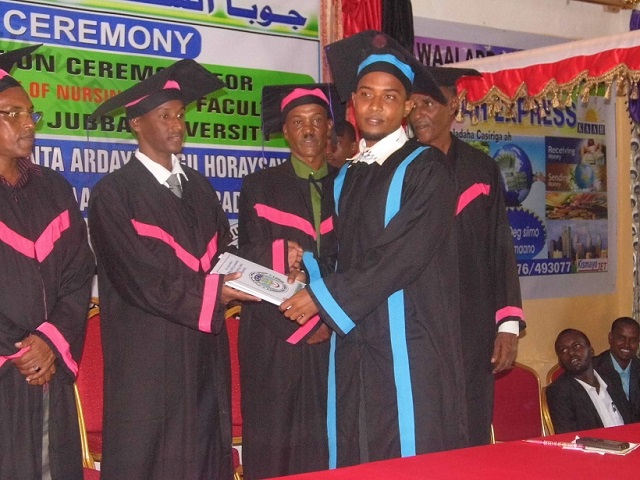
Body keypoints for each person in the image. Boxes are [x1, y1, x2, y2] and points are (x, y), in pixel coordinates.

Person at [280, 31, 469, 467]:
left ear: (408, 107)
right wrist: (306, 269)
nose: (375, 105)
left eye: (389, 96)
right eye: (366, 94)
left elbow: (399, 256)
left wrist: (322, 297)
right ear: (353, 103)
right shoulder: (347, 175)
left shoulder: (427, 169)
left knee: (406, 452)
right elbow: (345, 254)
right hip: (358, 338)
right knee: (355, 444)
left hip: (411, 336)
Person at [88, 59, 281, 480]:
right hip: (148, 354)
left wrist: (271, 267)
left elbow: (223, 254)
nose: (177, 125)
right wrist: (216, 293)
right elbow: (140, 279)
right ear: (136, 123)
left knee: (206, 451)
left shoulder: (199, 187)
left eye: (180, 114)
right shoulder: (113, 194)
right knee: (151, 457)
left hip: (203, 352)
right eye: (165, 116)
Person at [407, 66, 525, 446]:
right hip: (416, 325)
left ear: (454, 104)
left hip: (473, 326)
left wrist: (507, 325)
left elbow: (499, 247)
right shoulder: (398, 169)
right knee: (424, 430)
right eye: (413, 105)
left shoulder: (481, 168)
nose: (418, 114)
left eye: (429, 104)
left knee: (471, 426)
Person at [0, 44, 95, 480]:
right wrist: (19, 349)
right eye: (12, 114)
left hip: (48, 366)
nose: (28, 124)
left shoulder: (53, 188)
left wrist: (49, 340)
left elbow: (78, 271)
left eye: (30, 113)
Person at [237, 83, 341, 479]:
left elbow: (361, 262)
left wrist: (326, 316)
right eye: (298, 122)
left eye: (316, 120)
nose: (308, 129)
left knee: (330, 441)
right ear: (285, 131)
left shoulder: (350, 185)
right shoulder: (260, 186)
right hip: (275, 336)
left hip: (336, 333)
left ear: (329, 127)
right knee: (275, 446)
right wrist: (303, 324)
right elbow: (252, 264)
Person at [546, 329, 630, 434]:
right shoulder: (559, 392)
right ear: (560, 361)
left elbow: (630, 418)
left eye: (576, 346)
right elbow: (569, 437)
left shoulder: (611, 377)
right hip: (598, 444)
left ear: (591, 351)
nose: (571, 353)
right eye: (563, 350)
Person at [593, 317, 640, 423]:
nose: (627, 345)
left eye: (633, 340)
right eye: (621, 338)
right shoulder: (592, 370)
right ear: (610, 338)